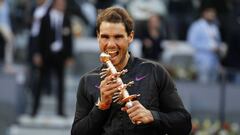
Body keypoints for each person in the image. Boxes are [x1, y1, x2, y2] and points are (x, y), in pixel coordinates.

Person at [71, 6, 192, 135]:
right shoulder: (87, 81)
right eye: (105, 37)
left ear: (130, 36)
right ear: (98, 37)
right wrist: (101, 106)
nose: (111, 44)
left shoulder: (154, 71)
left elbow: (184, 123)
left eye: (118, 37)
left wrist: (152, 116)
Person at [31, 0, 73, 117]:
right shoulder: (45, 18)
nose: (63, 5)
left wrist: (69, 56)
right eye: (60, 3)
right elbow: (39, 37)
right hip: (46, 55)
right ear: (55, 4)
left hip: (60, 55)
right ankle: (34, 109)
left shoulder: (66, 18)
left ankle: (60, 110)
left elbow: (69, 39)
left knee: (60, 83)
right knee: (40, 82)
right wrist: (37, 53)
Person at [187, 5, 222, 83]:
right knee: (203, 85)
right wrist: (209, 48)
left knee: (214, 86)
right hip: (202, 60)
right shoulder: (196, 26)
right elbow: (191, 42)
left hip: (214, 60)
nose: (213, 15)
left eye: (214, 13)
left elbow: (218, 42)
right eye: (210, 13)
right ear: (204, 13)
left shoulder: (215, 26)